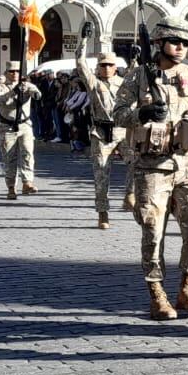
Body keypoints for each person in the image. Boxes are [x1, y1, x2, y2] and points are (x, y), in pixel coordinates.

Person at [111, 19, 188, 322]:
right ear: (158, 43)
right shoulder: (137, 76)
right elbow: (117, 114)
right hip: (152, 166)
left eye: (185, 43)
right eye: (174, 42)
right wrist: (141, 112)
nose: (180, 48)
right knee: (153, 232)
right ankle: (157, 294)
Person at [76, 32, 126, 230]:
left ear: (115, 67)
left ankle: (130, 196)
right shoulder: (93, 83)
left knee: (138, 165)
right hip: (101, 132)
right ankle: (103, 213)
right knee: (101, 175)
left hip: (122, 131)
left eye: (109, 65)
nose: (106, 68)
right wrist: (83, 40)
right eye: (102, 65)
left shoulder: (123, 84)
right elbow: (80, 64)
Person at [0, 62, 41, 200]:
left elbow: (37, 94)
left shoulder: (27, 86)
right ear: (6, 73)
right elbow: (0, 101)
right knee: (9, 158)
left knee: (27, 154)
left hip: (25, 125)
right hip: (7, 127)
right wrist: (13, 92)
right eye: (11, 71)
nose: (14, 74)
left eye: (17, 71)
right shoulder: (0, 88)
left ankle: (27, 182)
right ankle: (11, 187)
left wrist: (32, 92)